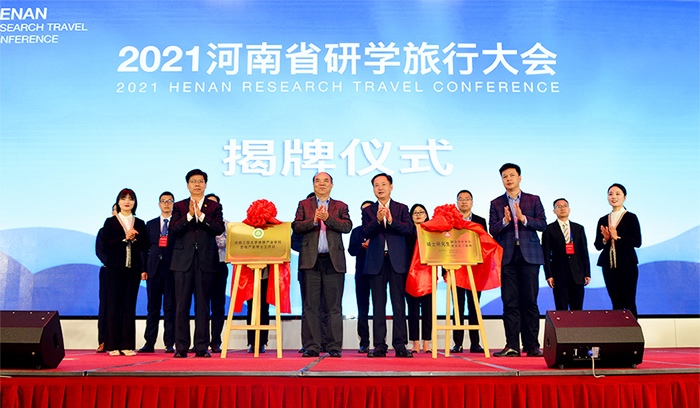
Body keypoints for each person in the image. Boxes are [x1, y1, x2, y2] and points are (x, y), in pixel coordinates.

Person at [489, 163, 546, 357]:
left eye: (512, 175)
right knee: (510, 302)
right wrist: (505, 221)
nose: (508, 179)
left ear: (519, 178)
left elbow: (543, 224)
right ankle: (512, 345)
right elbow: (492, 229)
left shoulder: (533, 199)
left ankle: (532, 346)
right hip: (507, 257)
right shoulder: (496, 203)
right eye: (505, 176)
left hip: (530, 256)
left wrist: (524, 218)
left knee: (530, 301)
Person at [293, 172, 352, 358]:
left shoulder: (340, 206)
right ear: (313, 185)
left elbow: (347, 226)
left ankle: (334, 346)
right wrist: (314, 221)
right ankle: (312, 346)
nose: (322, 184)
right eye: (318, 181)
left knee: (334, 307)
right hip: (311, 261)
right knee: (311, 306)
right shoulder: (304, 205)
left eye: (326, 181)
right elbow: (296, 226)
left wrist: (328, 218)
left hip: (333, 262)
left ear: (332, 185)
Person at [169, 169, 225, 358]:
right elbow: (173, 229)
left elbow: (218, 229)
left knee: (203, 305)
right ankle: (181, 347)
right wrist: (189, 216)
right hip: (182, 262)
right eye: (193, 181)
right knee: (181, 305)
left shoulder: (214, 207)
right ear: (188, 185)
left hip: (206, 261)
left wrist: (201, 216)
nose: (197, 184)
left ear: (205, 184)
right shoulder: (179, 206)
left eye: (200, 181)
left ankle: (201, 347)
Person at [362, 173, 413, 358]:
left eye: (383, 184)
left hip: (397, 262)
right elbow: (365, 231)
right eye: (376, 185)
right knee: (378, 305)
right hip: (376, 262)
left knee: (399, 304)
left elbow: (408, 229)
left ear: (391, 187)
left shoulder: (401, 208)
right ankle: (379, 346)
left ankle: (400, 345)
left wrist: (391, 221)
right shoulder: (368, 210)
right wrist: (377, 220)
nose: (380, 188)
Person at [101, 189, 148, 356]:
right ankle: (112, 345)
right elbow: (106, 244)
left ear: (135, 202)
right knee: (113, 305)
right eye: (124, 198)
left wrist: (135, 239)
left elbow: (145, 246)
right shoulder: (110, 222)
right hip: (114, 268)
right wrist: (124, 239)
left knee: (129, 306)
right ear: (118, 202)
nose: (127, 201)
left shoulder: (140, 223)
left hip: (133, 269)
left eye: (130, 199)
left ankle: (127, 345)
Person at [594, 184, 642, 319]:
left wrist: (617, 238)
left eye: (617, 194)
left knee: (629, 301)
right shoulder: (603, 219)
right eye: (610, 194)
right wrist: (605, 239)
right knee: (616, 302)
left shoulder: (631, 217)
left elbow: (637, 242)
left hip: (627, 264)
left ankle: (632, 330)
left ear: (624, 197)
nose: (613, 197)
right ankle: (618, 331)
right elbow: (597, 245)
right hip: (608, 266)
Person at [139, 192, 176, 353]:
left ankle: (170, 343)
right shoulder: (150, 224)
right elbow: (144, 249)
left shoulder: (177, 224)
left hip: (171, 270)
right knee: (152, 309)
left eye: (169, 201)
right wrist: (143, 269)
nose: (166, 203)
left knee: (170, 308)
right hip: (153, 270)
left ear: (173, 204)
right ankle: (149, 343)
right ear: (159, 204)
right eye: (163, 201)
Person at [452, 190, 487, 354]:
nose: (464, 202)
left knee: (474, 306)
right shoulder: (451, 221)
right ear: (457, 203)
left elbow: (484, 244)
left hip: (475, 270)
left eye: (467, 199)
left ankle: (475, 343)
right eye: (461, 199)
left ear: (472, 202)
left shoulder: (480, 221)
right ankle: (457, 343)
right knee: (457, 307)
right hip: (456, 269)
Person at [542, 198, 591, 311]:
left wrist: (587, 273)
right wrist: (549, 275)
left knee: (577, 310)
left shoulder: (579, 228)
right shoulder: (548, 229)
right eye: (558, 206)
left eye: (565, 206)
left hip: (577, 274)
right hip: (558, 275)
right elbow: (546, 255)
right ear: (554, 211)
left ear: (569, 209)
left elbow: (584, 252)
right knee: (561, 310)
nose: (562, 208)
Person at [405, 203, 433, 354]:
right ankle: (415, 343)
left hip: (428, 275)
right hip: (411, 275)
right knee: (413, 311)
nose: (418, 215)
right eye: (415, 213)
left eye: (421, 212)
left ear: (426, 215)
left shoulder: (432, 232)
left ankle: (427, 343)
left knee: (428, 311)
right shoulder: (407, 232)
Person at [348, 200, 374, 353]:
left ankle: (380, 341)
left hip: (377, 274)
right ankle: (364, 342)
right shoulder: (357, 231)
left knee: (379, 309)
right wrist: (362, 247)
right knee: (362, 310)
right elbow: (351, 250)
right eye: (364, 211)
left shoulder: (380, 230)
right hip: (361, 274)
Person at [205, 193, 228, 354]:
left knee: (218, 306)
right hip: (202, 267)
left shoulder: (226, 224)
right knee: (202, 306)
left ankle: (215, 341)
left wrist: (213, 239)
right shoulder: (198, 223)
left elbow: (228, 243)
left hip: (220, 266)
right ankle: (201, 341)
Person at [95, 204, 117, 353]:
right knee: (105, 306)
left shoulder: (132, 229)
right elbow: (99, 251)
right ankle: (103, 341)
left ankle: (120, 342)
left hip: (125, 272)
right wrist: (113, 264)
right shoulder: (104, 231)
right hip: (108, 270)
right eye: (116, 210)